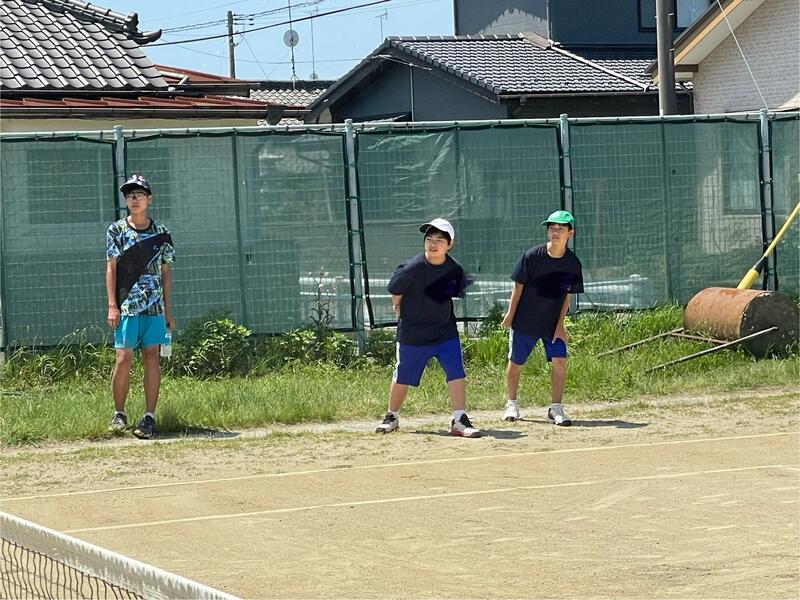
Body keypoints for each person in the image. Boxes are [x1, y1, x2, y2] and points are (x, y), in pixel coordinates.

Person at [375, 218, 480, 438]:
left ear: (449, 244)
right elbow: (395, 290)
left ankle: (459, 420)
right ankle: (392, 416)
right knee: (402, 376)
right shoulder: (411, 267)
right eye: (429, 239)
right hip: (413, 333)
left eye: (439, 240)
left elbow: (447, 294)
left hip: (445, 332)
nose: (433, 244)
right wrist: (398, 307)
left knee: (456, 372)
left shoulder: (454, 269)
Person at [106, 174, 175, 439]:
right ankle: (119, 412)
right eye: (129, 195)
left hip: (154, 309)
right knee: (123, 358)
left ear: (149, 199)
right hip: (126, 307)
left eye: (139, 194)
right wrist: (112, 304)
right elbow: (111, 268)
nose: (134, 199)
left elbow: (165, 272)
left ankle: (149, 416)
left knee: (152, 358)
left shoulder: (162, 233)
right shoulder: (116, 231)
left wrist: (168, 310)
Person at [501, 210, 583, 426]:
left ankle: (555, 408)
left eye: (561, 229)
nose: (555, 232)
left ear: (570, 233)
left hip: (552, 324)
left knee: (559, 361)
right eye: (552, 228)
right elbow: (518, 288)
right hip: (525, 320)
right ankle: (511, 403)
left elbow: (566, 297)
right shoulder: (532, 256)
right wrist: (510, 315)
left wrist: (560, 326)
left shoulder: (572, 264)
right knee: (515, 362)